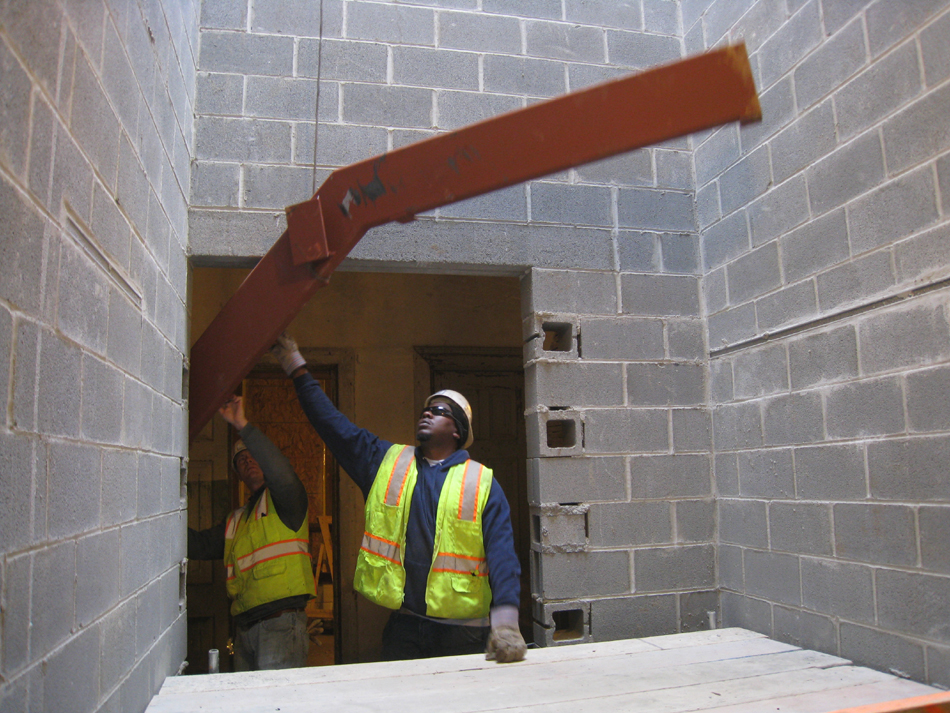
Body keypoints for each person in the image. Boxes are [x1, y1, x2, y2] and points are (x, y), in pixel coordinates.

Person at [270, 332, 527, 664]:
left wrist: (506, 624)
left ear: (457, 431)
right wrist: (295, 364)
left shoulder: (481, 483)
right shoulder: (387, 463)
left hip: (463, 632)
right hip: (406, 626)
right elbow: (333, 426)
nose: (427, 413)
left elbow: (503, 555)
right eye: (426, 409)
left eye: (439, 411)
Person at [188, 395, 315, 671]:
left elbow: (282, 473)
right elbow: (196, 545)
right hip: (245, 630)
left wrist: (242, 425)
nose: (248, 462)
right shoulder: (236, 521)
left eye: (253, 456)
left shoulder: (286, 501)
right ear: (238, 473)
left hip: (281, 626)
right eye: (241, 460)